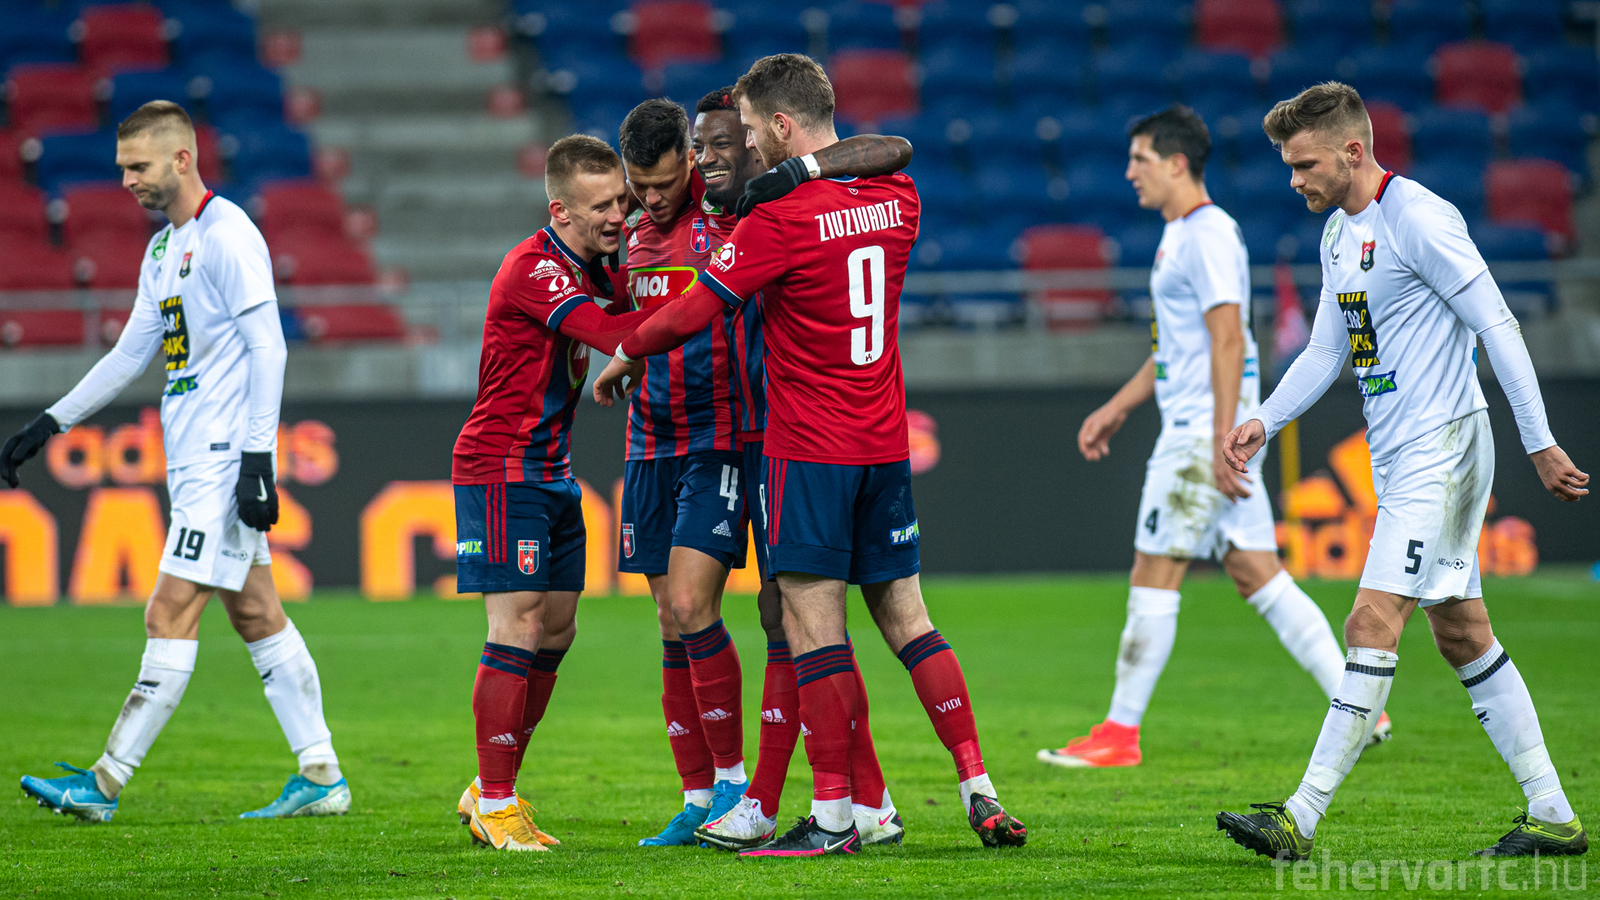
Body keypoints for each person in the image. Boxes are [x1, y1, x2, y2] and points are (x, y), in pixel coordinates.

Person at [594, 53, 1026, 856]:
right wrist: (804, 168)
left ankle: (830, 818)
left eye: (751, 131)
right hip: (884, 444)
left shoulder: (780, 220)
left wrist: (624, 349)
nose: (745, 147)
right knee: (910, 619)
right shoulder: (900, 197)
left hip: (806, 448)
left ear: (781, 125)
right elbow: (887, 150)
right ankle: (976, 785)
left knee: (812, 628)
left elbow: (690, 313)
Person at [1216, 82, 1589, 861]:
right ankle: (1553, 813)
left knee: (1369, 621)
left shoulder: (1419, 217)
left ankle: (1298, 819)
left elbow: (1497, 323)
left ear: (1353, 151)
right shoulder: (1337, 235)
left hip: (1441, 446)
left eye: (1305, 164)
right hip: (1401, 451)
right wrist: (1264, 419)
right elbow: (1327, 349)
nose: (1294, 180)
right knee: (1462, 633)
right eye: (1288, 166)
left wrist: (1540, 439)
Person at [9, 101, 347, 822]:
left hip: (224, 461)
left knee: (167, 611)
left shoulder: (229, 236)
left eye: (138, 166)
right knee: (255, 613)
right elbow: (129, 354)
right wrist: (49, 423)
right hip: (197, 459)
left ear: (182, 159)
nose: (126, 180)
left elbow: (269, 347)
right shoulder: (164, 250)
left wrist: (257, 459)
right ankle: (321, 775)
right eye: (122, 168)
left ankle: (104, 783)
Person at [1038, 106, 1363, 770]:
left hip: (1199, 434)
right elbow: (1177, 350)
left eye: (1140, 159)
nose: (1130, 172)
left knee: (1153, 573)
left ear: (1177, 163)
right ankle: (1360, 705)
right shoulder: (1183, 234)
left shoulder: (1206, 234)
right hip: (1209, 425)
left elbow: (1227, 338)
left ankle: (1120, 733)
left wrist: (1219, 437)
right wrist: (1120, 406)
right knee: (1256, 572)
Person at [450, 134, 664, 852]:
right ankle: (497, 803)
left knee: (558, 630)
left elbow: (634, 298)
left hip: (550, 469)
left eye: (621, 202)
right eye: (601, 206)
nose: (618, 216)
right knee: (515, 627)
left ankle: (491, 783)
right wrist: (710, 300)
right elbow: (610, 331)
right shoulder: (533, 268)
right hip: (501, 465)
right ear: (560, 211)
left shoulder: (593, 264)